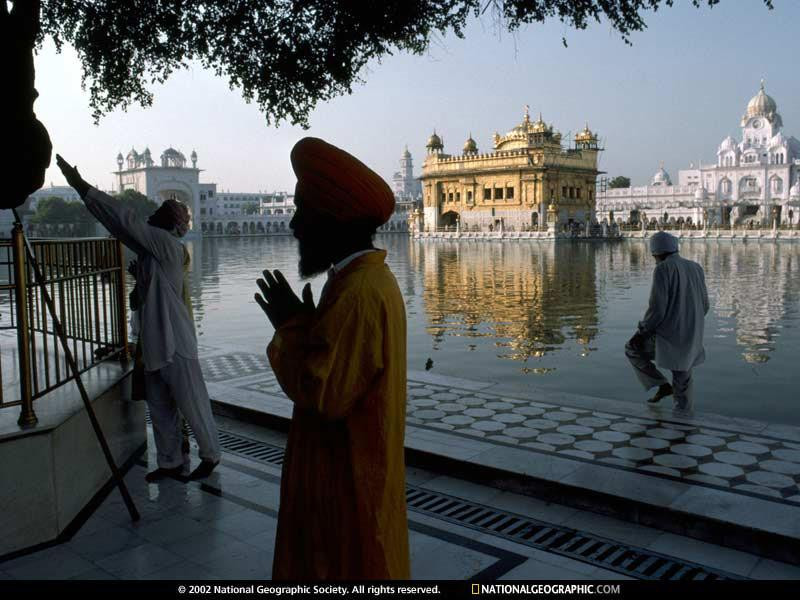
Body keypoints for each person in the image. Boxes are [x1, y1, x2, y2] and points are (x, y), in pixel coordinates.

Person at [254, 137, 410, 580]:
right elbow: (338, 365)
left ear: (333, 220)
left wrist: (290, 326)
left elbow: (323, 392)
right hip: (345, 479)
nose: (296, 227)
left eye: (304, 214)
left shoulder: (358, 294)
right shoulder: (359, 282)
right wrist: (305, 322)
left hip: (347, 492)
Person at [56, 154, 220, 481]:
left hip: (174, 341)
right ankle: (170, 462)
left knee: (192, 402)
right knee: (159, 407)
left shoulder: (167, 245)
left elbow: (125, 222)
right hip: (155, 341)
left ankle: (211, 455)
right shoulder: (151, 254)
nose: (155, 217)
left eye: (167, 214)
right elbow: (141, 291)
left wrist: (83, 188)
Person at [625, 231, 709, 411]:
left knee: (632, 348)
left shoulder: (663, 269)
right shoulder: (695, 267)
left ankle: (662, 385)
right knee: (683, 377)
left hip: (670, 335)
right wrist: (688, 320)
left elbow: (657, 310)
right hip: (692, 333)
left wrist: (641, 332)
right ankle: (683, 418)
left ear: (656, 253)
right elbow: (705, 306)